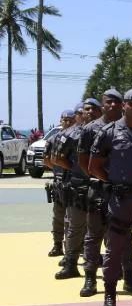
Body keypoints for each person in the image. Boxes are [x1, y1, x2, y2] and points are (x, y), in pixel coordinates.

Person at [89, 89, 132, 306]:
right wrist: (113, 181)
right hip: (119, 197)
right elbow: (93, 166)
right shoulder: (109, 132)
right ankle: (110, 294)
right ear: (124, 105)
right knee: (114, 248)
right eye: (131, 103)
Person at [80, 90, 132, 298]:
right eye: (109, 102)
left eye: (116, 102)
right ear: (102, 105)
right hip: (99, 189)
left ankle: (129, 277)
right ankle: (90, 277)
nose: (113, 105)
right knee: (94, 234)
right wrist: (106, 178)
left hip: (124, 193)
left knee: (126, 236)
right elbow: (84, 162)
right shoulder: (90, 129)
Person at [53, 102, 89, 280]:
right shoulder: (68, 134)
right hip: (76, 186)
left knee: (102, 229)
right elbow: (57, 159)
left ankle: (97, 261)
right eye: (82, 112)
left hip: (98, 186)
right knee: (74, 226)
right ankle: (71, 262)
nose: (85, 114)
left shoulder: (101, 129)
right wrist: (76, 169)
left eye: (89, 111)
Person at [45, 109, 75, 257]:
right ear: (60, 121)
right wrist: (58, 169)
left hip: (73, 183)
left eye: (70, 120)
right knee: (58, 216)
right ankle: (57, 245)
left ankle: (74, 247)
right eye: (65, 120)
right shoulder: (53, 139)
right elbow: (48, 160)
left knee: (73, 218)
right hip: (59, 182)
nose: (67, 122)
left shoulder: (77, 137)